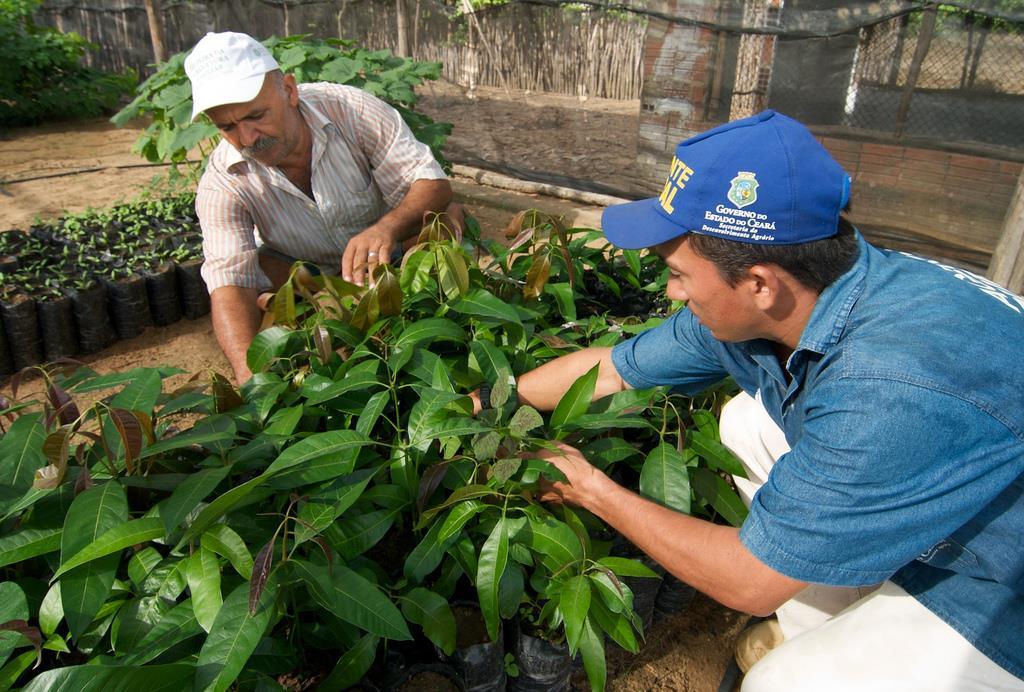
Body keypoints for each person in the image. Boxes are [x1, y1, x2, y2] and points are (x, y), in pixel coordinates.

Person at [472, 110, 1024, 690]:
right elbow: (612, 370)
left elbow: (746, 582)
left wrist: (590, 489)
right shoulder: (812, 290)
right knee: (746, 422)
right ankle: (829, 622)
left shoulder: (884, 388)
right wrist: (490, 401)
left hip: (997, 587)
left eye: (680, 273)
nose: (670, 290)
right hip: (949, 497)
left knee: (780, 683)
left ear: (760, 283)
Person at [184, 31, 457, 382]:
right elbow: (228, 281)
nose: (248, 138)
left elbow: (431, 183)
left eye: (256, 115)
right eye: (228, 127)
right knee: (259, 285)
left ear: (289, 90)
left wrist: (386, 228)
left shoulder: (351, 111)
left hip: (388, 255)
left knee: (444, 220)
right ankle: (326, 313)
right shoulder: (223, 180)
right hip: (304, 273)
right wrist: (251, 382)